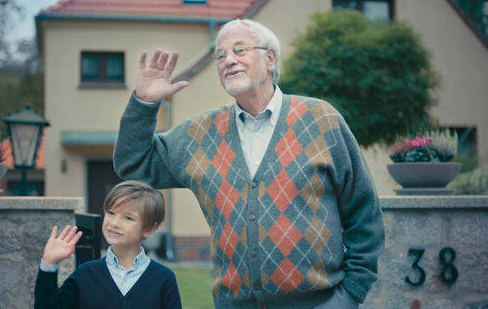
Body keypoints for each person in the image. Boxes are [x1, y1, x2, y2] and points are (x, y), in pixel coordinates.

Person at [113, 19, 385, 308]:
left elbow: (364, 213)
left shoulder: (321, 119)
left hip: (321, 302)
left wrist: (351, 293)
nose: (228, 60)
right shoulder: (200, 135)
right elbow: (133, 164)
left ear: (270, 58)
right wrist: (144, 103)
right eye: (220, 55)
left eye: (239, 50)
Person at [34, 180, 182, 309]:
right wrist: (49, 264)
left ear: (149, 229)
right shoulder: (85, 274)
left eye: (128, 218)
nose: (114, 223)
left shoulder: (164, 278)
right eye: (111, 213)